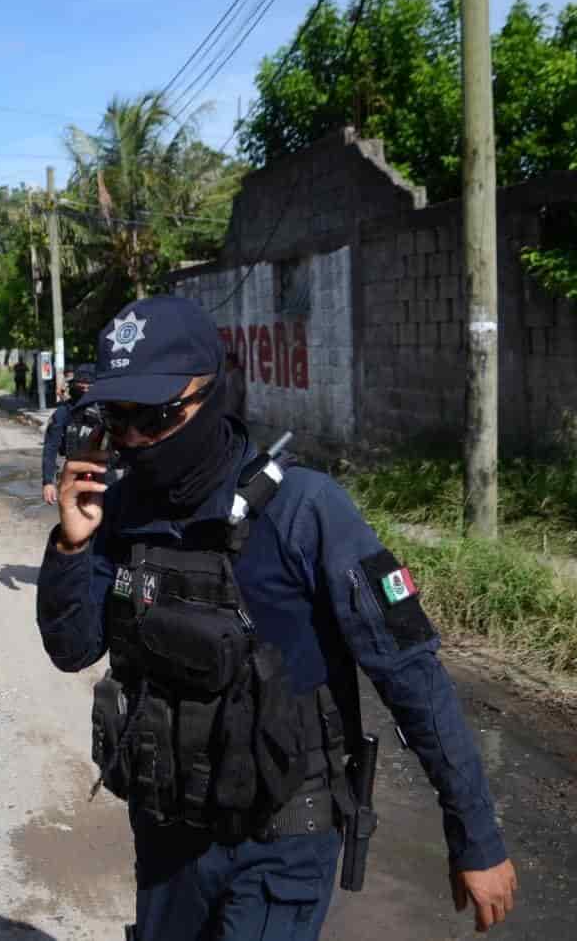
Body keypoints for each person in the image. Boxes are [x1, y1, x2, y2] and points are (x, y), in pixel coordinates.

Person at [36, 295, 517, 940]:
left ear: (214, 395)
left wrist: (475, 836)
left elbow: (410, 673)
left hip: (282, 839)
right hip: (167, 835)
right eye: (115, 417)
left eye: (152, 416)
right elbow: (72, 648)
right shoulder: (115, 510)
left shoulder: (306, 510)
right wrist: (71, 544)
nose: (131, 439)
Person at [42, 365, 95, 506]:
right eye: (81, 388)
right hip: (73, 470)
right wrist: (48, 482)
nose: (85, 392)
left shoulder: (107, 410)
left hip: (104, 471)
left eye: (89, 388)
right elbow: (51, 447)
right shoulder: (63, 412)